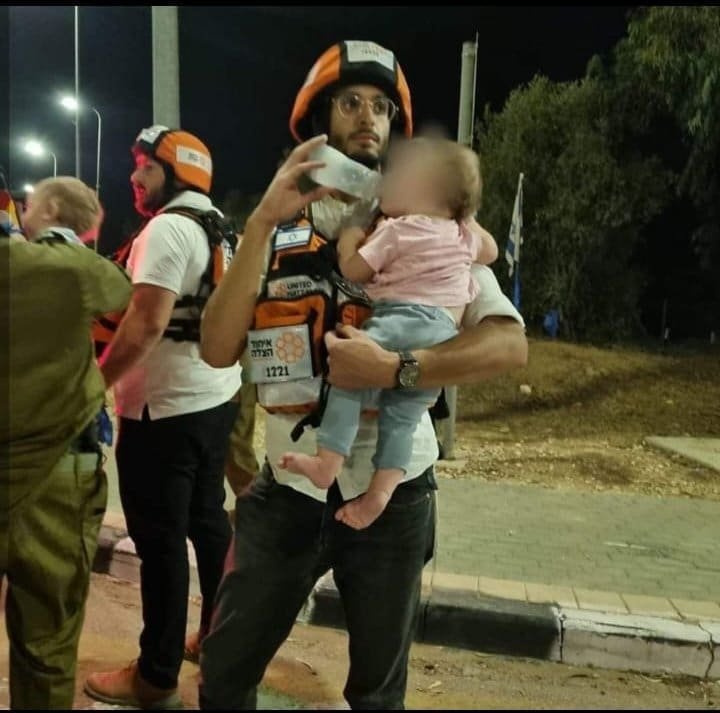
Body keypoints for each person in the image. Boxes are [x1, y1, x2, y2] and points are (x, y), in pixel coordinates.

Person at [198, 40, 528, 710]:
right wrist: (264, 215)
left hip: (393, 491)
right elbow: (215, 348)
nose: (369, 118)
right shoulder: (270, 229)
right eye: (351, 102)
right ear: (319, 118)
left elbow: (507, 345)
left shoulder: (432, 225)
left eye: (382, 106)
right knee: (224, 671)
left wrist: (401, 365)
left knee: (378, 691)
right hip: (287, 484)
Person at [83, 127, 242, 709]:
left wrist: (92, 385)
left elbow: (146, 325)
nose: (134, 177)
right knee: (207, 523)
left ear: (174, 173)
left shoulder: (168, 230)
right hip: (215, 398)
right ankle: (221, 638)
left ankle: (155, 677)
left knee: (160, 543)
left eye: (144, 167)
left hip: (163, 412)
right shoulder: (219, 225)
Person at [279, 136, 495, 529]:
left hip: (400, 320)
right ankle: (379, 494)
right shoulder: (464, 235)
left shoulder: (398, 230)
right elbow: (492, 251)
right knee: (404, 418)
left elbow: (354, 272)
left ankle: (328, 461)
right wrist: (462, 214)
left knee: (347, 373)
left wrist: (348, 242)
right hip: (441, 335)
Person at [0, 177, 132, 709]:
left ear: (48, 208)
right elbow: (127, 297)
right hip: (57, 478)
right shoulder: (80, 271)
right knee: (47, 641)